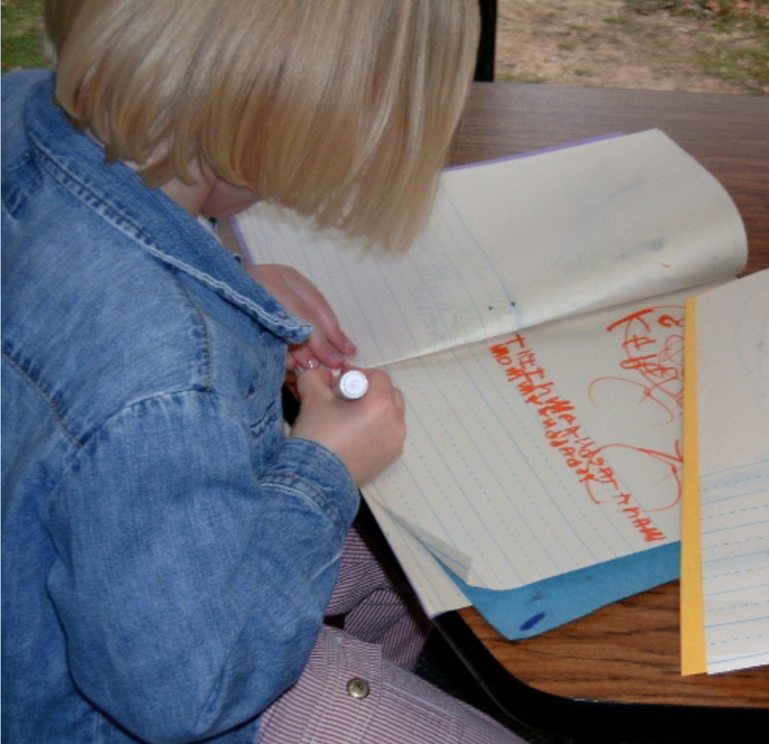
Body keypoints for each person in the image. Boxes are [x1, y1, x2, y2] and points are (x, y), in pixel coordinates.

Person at [1, 1, 526, 741]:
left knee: (409, 566)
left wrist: (219, 275)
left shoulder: (19, 99)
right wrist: (325, 467)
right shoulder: (165, 382)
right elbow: (189, 693)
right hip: (122, 699)